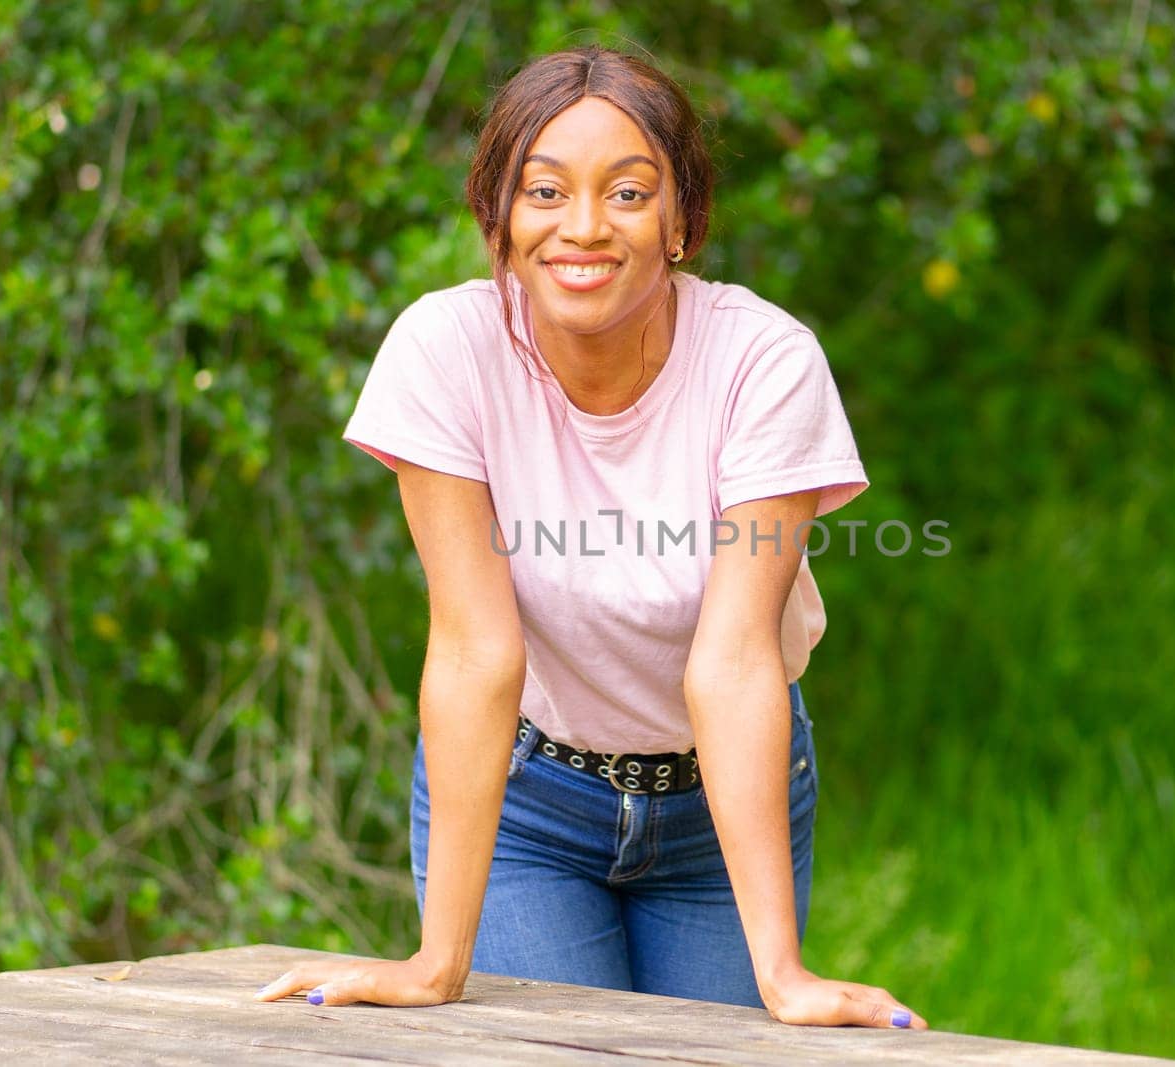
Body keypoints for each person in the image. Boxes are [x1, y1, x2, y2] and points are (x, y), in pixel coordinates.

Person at [255, 46, 925, 1031]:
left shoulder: (763, 364)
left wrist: (784, 972)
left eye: (626, 192)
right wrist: (436, 962)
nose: (581, 226)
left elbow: (735, 660)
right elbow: (476, 648)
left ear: (681, 221)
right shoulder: (445, 353)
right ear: (499, 216)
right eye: (544, 190)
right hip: (532, 799)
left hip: (717, 803)